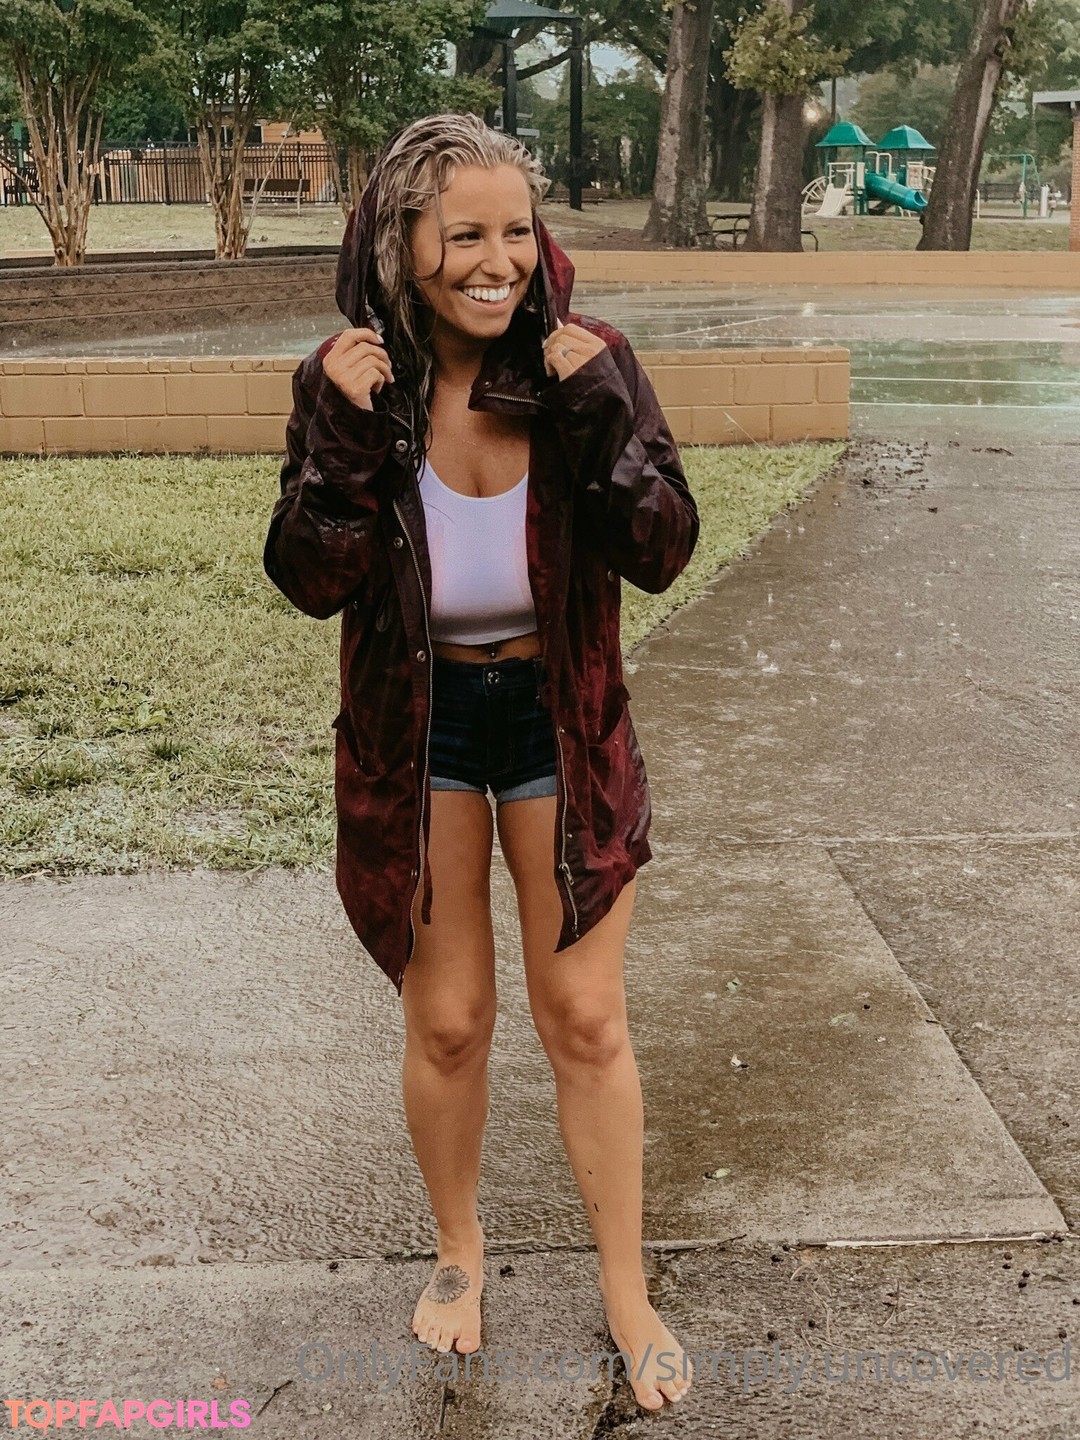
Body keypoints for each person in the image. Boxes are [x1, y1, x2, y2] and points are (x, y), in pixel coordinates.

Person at [263, 112, 700, 1410]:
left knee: (587, 1019)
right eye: (464, 235)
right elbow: (307, 577)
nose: (496, 260)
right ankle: (460, 1254)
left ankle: (625, 1287)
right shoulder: (353, 382)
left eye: (516, 231)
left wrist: (598, 410)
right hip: (423, 729)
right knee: (449, 1022)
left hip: (561, 723)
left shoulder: (588, 362)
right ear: (403, 244)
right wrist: (345, 441)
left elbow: (662, 548)